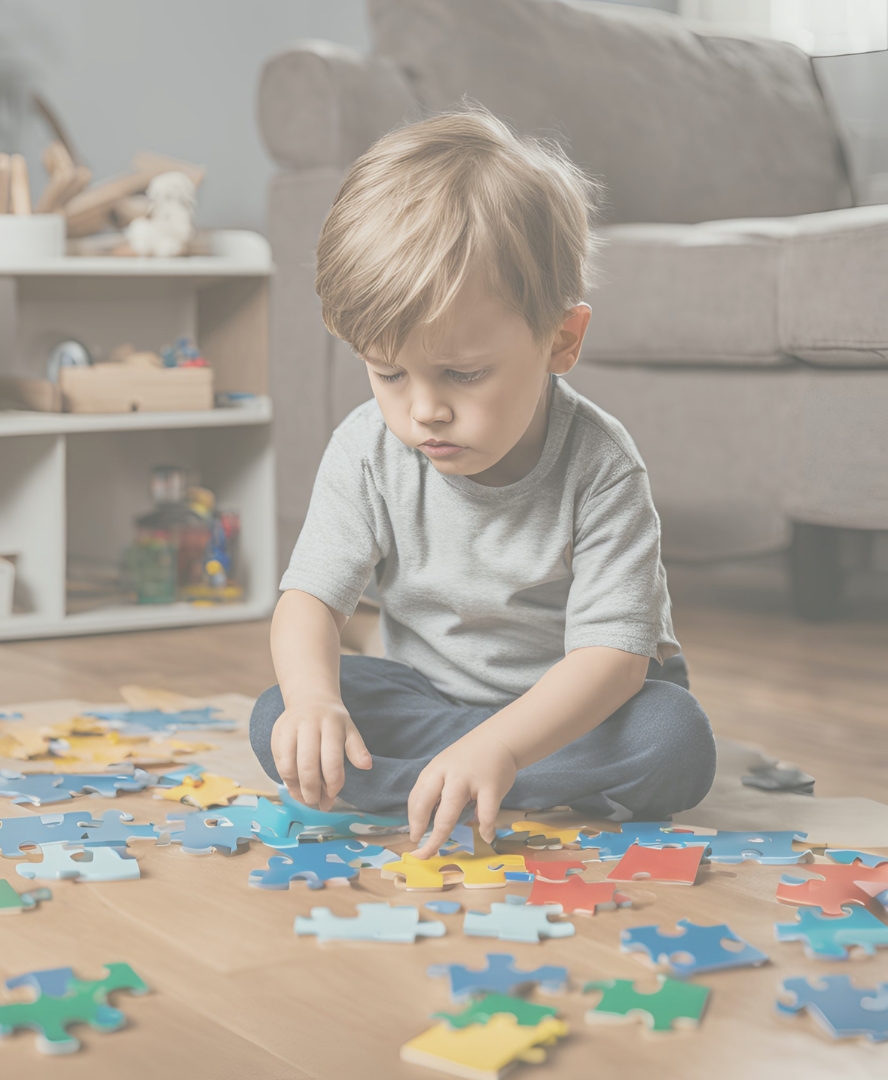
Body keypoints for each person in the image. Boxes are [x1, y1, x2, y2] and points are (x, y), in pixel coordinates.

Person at [250, 105, 716, 860]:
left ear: (560, 341)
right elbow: (309, 602)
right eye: (388, 373)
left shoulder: (601, 465)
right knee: (277, 714)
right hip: (428, 702)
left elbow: (615, 660)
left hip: (573, 717)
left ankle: (467, 779)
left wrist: (502, 744)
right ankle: (465, 776)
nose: (424, 409)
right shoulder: (367, 450)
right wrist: (314, 702)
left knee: (675, 740)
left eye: (462, 374)